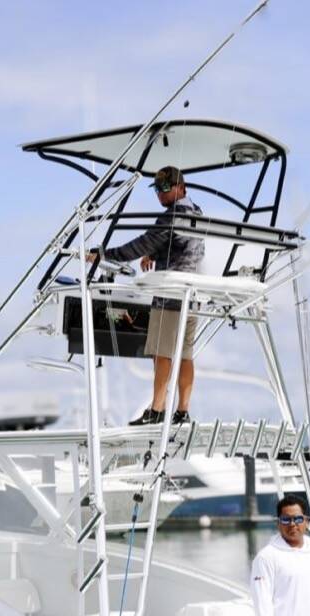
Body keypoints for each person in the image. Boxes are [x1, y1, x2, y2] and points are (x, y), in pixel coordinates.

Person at [85, 166, 204, 426]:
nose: (160, 195)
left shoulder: (172, 216)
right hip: (191, 297)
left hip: (170, 294)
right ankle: (182, 412)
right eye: (157, 189)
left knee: (162, 354)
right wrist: (155, 255)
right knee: (185, 355)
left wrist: (104, 256)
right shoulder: (197, 212)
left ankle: (157, 411)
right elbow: (180, 246)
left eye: (165, 188)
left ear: (180, 187)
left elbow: (141, 244)